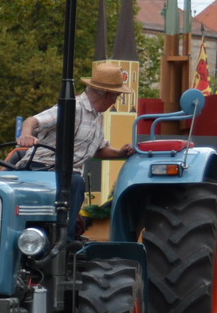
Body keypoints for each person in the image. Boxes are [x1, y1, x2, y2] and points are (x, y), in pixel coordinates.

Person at [14, 61, 135, 234]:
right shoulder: (72, 107)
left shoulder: (97, 118)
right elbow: (32, 121)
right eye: (116, 96)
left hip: (66, 175)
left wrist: (120, 152)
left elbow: (98, 150)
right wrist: (26, 135)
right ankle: (65, 239)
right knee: (76, 182)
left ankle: (63, 235)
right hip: (42, 168)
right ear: (107, 94)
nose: (115, 100)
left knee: (75, 181)